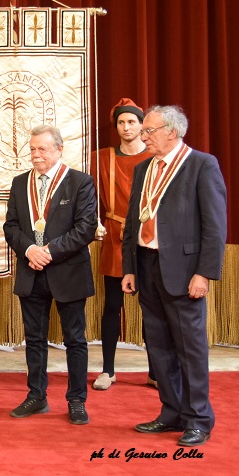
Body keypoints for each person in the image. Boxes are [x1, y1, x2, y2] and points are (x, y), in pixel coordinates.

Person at [122, 105, 227, 448]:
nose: (143, 137)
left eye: (148, 131)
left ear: (172, 131)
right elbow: (133, 221)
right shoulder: (143, 168)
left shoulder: (201, 165)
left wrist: (204, 273)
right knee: (159, 346)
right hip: (146, 266)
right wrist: (129, 268)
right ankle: (171, 412)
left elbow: (215, 226)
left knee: (189, 349)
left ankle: (198, 419)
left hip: (184, 273)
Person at [3, 124, 97, 425]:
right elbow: (10, 226)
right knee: (34, 339)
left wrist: (49, 252)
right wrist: (30, 250)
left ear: (59, 150)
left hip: (67, 272)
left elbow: (85, 228)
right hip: (31, 271)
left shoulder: (80, 182)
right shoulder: (20, 183)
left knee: (75, 340)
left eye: (42, 149)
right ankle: (36, 396)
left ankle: (76, 400)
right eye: (32, 149)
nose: (36, 154)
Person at [90, 98, 156, 390]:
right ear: (115, 126)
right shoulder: (101, 158)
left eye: (131, 122)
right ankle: (108, 370)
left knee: (151, 307)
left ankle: (155, 371)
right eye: (121, 122)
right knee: (112, 306)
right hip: (115, 237)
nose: (126, 127)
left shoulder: (154, 157)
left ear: (141, 125)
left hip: (148, 238)